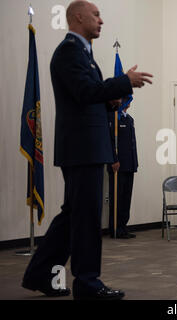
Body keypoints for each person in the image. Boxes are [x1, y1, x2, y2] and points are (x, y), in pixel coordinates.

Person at [21, 0, 153, 300]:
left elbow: (87, 96)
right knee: (87, 218)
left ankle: (40, 274)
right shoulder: (69, 52)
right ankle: (88, 283)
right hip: (82, 149)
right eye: (96, 15)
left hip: (88, 148)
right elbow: (83, 92)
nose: (101, 21)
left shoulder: (84, 54)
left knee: (73, 217)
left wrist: (110, 100)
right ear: (77, 17)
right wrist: (122, 83)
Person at [108, 105, 138, 239]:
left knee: (126, 198)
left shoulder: (129, 119)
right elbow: (110, 142)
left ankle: (123, 226)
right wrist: (113, 160)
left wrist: (134, 163)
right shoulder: (113, 118)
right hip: (117, 166)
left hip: (129, 164)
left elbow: (131, 143)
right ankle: (115, 228)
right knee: (117, 198)